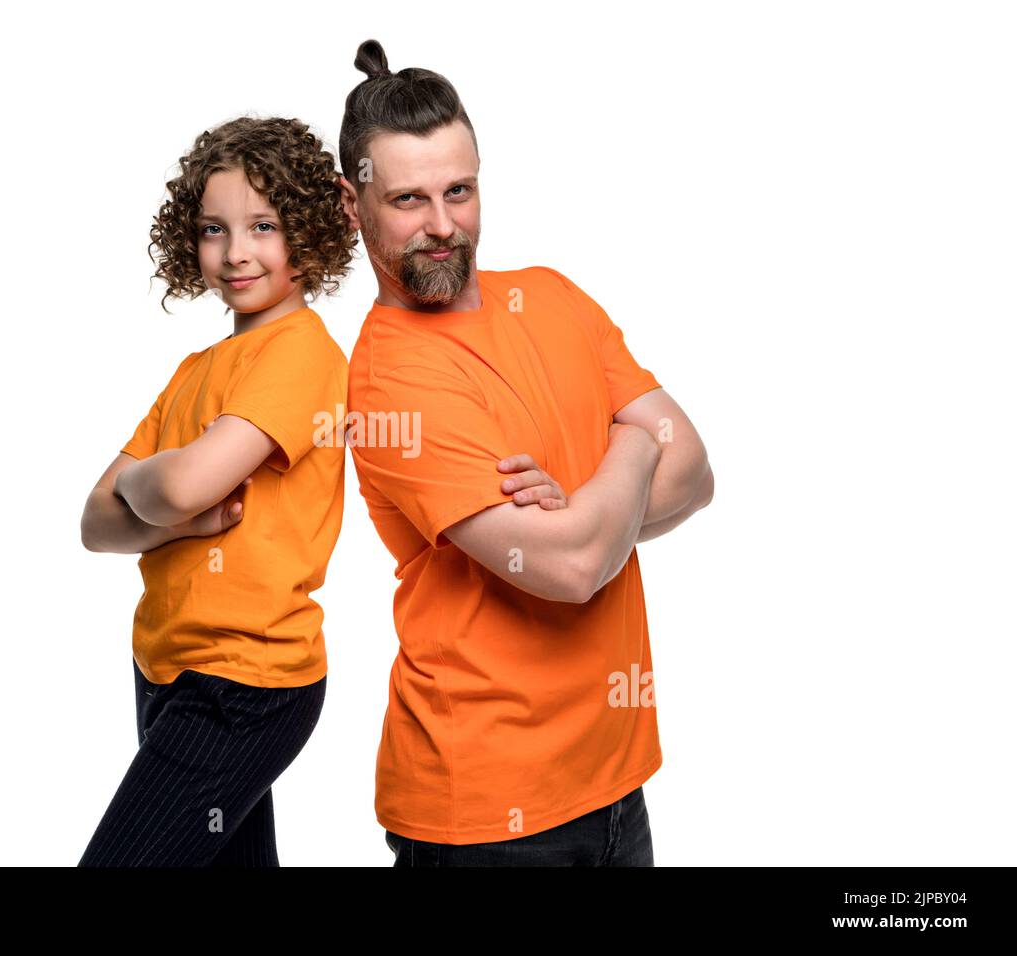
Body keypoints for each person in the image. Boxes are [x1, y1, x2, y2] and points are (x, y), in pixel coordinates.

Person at [338, 39, 715, 866]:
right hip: (481, 815)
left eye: (460, 191)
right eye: (409, 199)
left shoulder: (551, 295)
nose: (442, 226)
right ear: (350, 204)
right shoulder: (391, 377)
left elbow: (696, 471)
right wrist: (629, 450)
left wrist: (587, 507)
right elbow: (573, 565)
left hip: (617, 786)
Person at [77, 116, 356, 866]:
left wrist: (154, 488)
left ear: (308, 232)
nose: (236, 252)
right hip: (166, 668)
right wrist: (176, 520)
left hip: (244, 684)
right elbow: (95, 523)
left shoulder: (302, 353)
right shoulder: (196, 370)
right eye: (213, 228)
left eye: (264, 225)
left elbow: (185, 483)